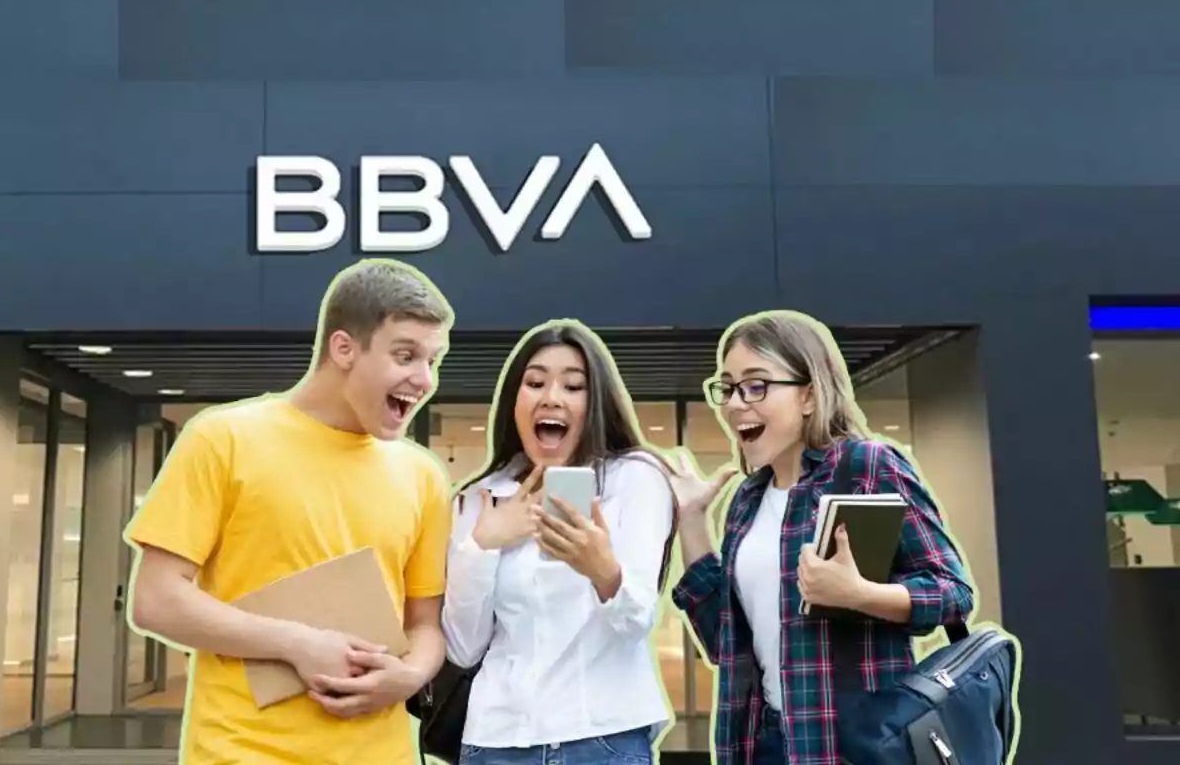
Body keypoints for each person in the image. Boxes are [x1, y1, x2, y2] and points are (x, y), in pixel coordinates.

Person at [124, 259, 455, 764]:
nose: (423, 378)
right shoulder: (223, 439)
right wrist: (297, 643)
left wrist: (408, 677)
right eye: (405, 355)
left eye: (433, 360)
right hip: (244, 751)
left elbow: (425, 623)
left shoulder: (423, 473)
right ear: (343, 348)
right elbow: (155, 599)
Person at [669, 310, 975, 765]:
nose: (734, 404)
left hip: (854, 746)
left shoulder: (866, 467)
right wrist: (692, 522)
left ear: (809, 395)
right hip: (763, 743)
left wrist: (861, 594)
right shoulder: (747, 500)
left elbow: (953, 592)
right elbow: (725, 645)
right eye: (728, 388)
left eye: (756, 385)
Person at [441, 320, 677, 765]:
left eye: (573, 386)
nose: (551, 397)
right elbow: (463, 647)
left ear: (596, 403)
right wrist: (482, 546)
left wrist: (601, 570)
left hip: (602, 737)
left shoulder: (636, 479)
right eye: (534, 383)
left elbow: (637, 621)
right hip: (495, 740)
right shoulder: (481, 497)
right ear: (515, 401)